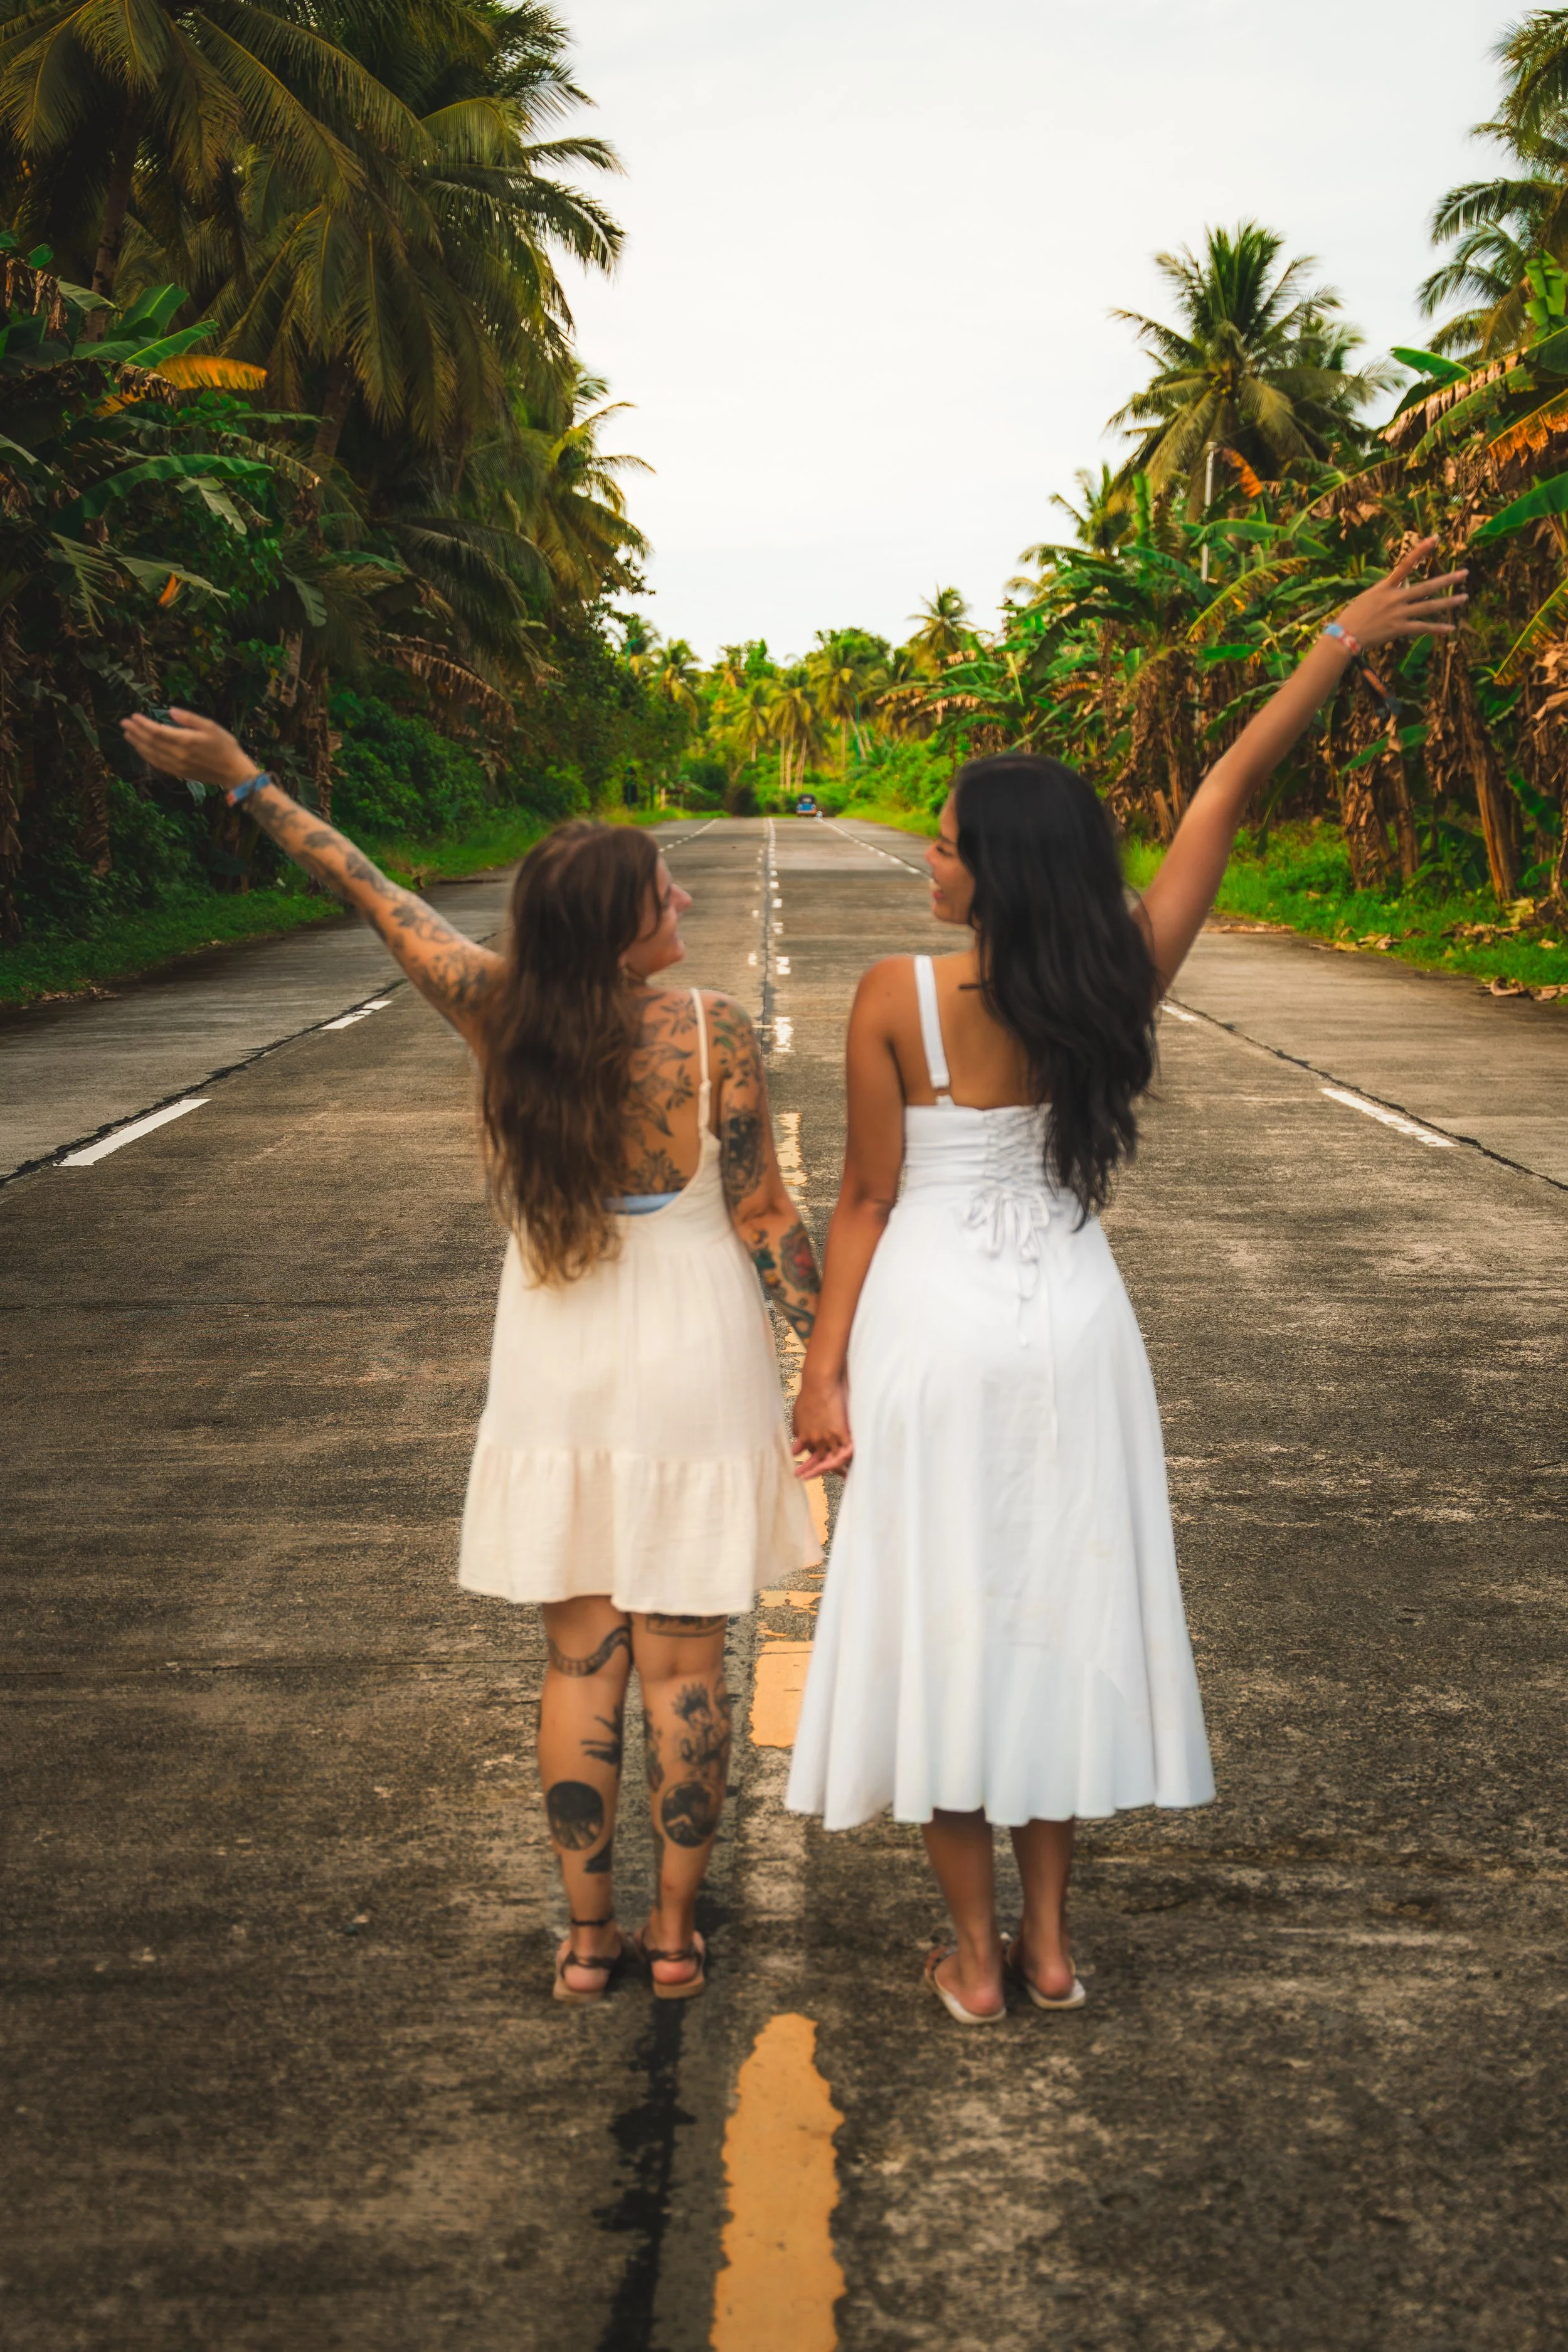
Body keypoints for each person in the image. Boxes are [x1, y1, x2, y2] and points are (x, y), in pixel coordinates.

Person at [787, 543, 1467, 2025]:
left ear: (995, 869)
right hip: (1075, 1325)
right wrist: (1338, 638)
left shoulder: (895, 997)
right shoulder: (1116, 976)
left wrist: (819, 1369)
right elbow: (1223, 787)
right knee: (1052, 1618)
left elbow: (863, 1199)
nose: (929, 863)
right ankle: (1048, 1949)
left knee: (946, 1626)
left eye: (946, 846)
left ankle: (972, 1965)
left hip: (932, 1331)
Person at [119, 710, 824, 2004]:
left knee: (580, 1662)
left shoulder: (498, 1011)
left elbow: (368, 887)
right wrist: (827, 1364)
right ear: (619, 929)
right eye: (660, 891)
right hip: (693, 1362)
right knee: (684, 1669)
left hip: (560, 1360)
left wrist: (247, 783)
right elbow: (766, 1216)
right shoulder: (713, 1030)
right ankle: (675, 1939)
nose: (680, 897)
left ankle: (587, 1942)